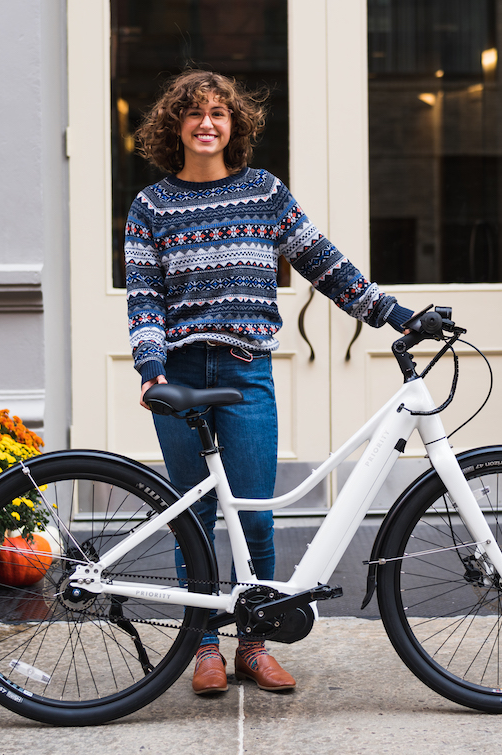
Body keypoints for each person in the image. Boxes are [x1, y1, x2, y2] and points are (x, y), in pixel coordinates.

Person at [125, 69, 413, 696]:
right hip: (180, 372)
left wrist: (393, 314)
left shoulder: (264, 193)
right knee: (194, 519)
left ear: (236, 124)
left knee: (254, 515)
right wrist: (152, 369)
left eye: (219, 113)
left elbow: (324, 264)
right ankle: (203, 646)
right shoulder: (151, 206)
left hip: (246, 371)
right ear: (175, 124)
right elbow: (143, 297)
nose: (207, 123)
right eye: (194, 112)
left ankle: (253, 643)